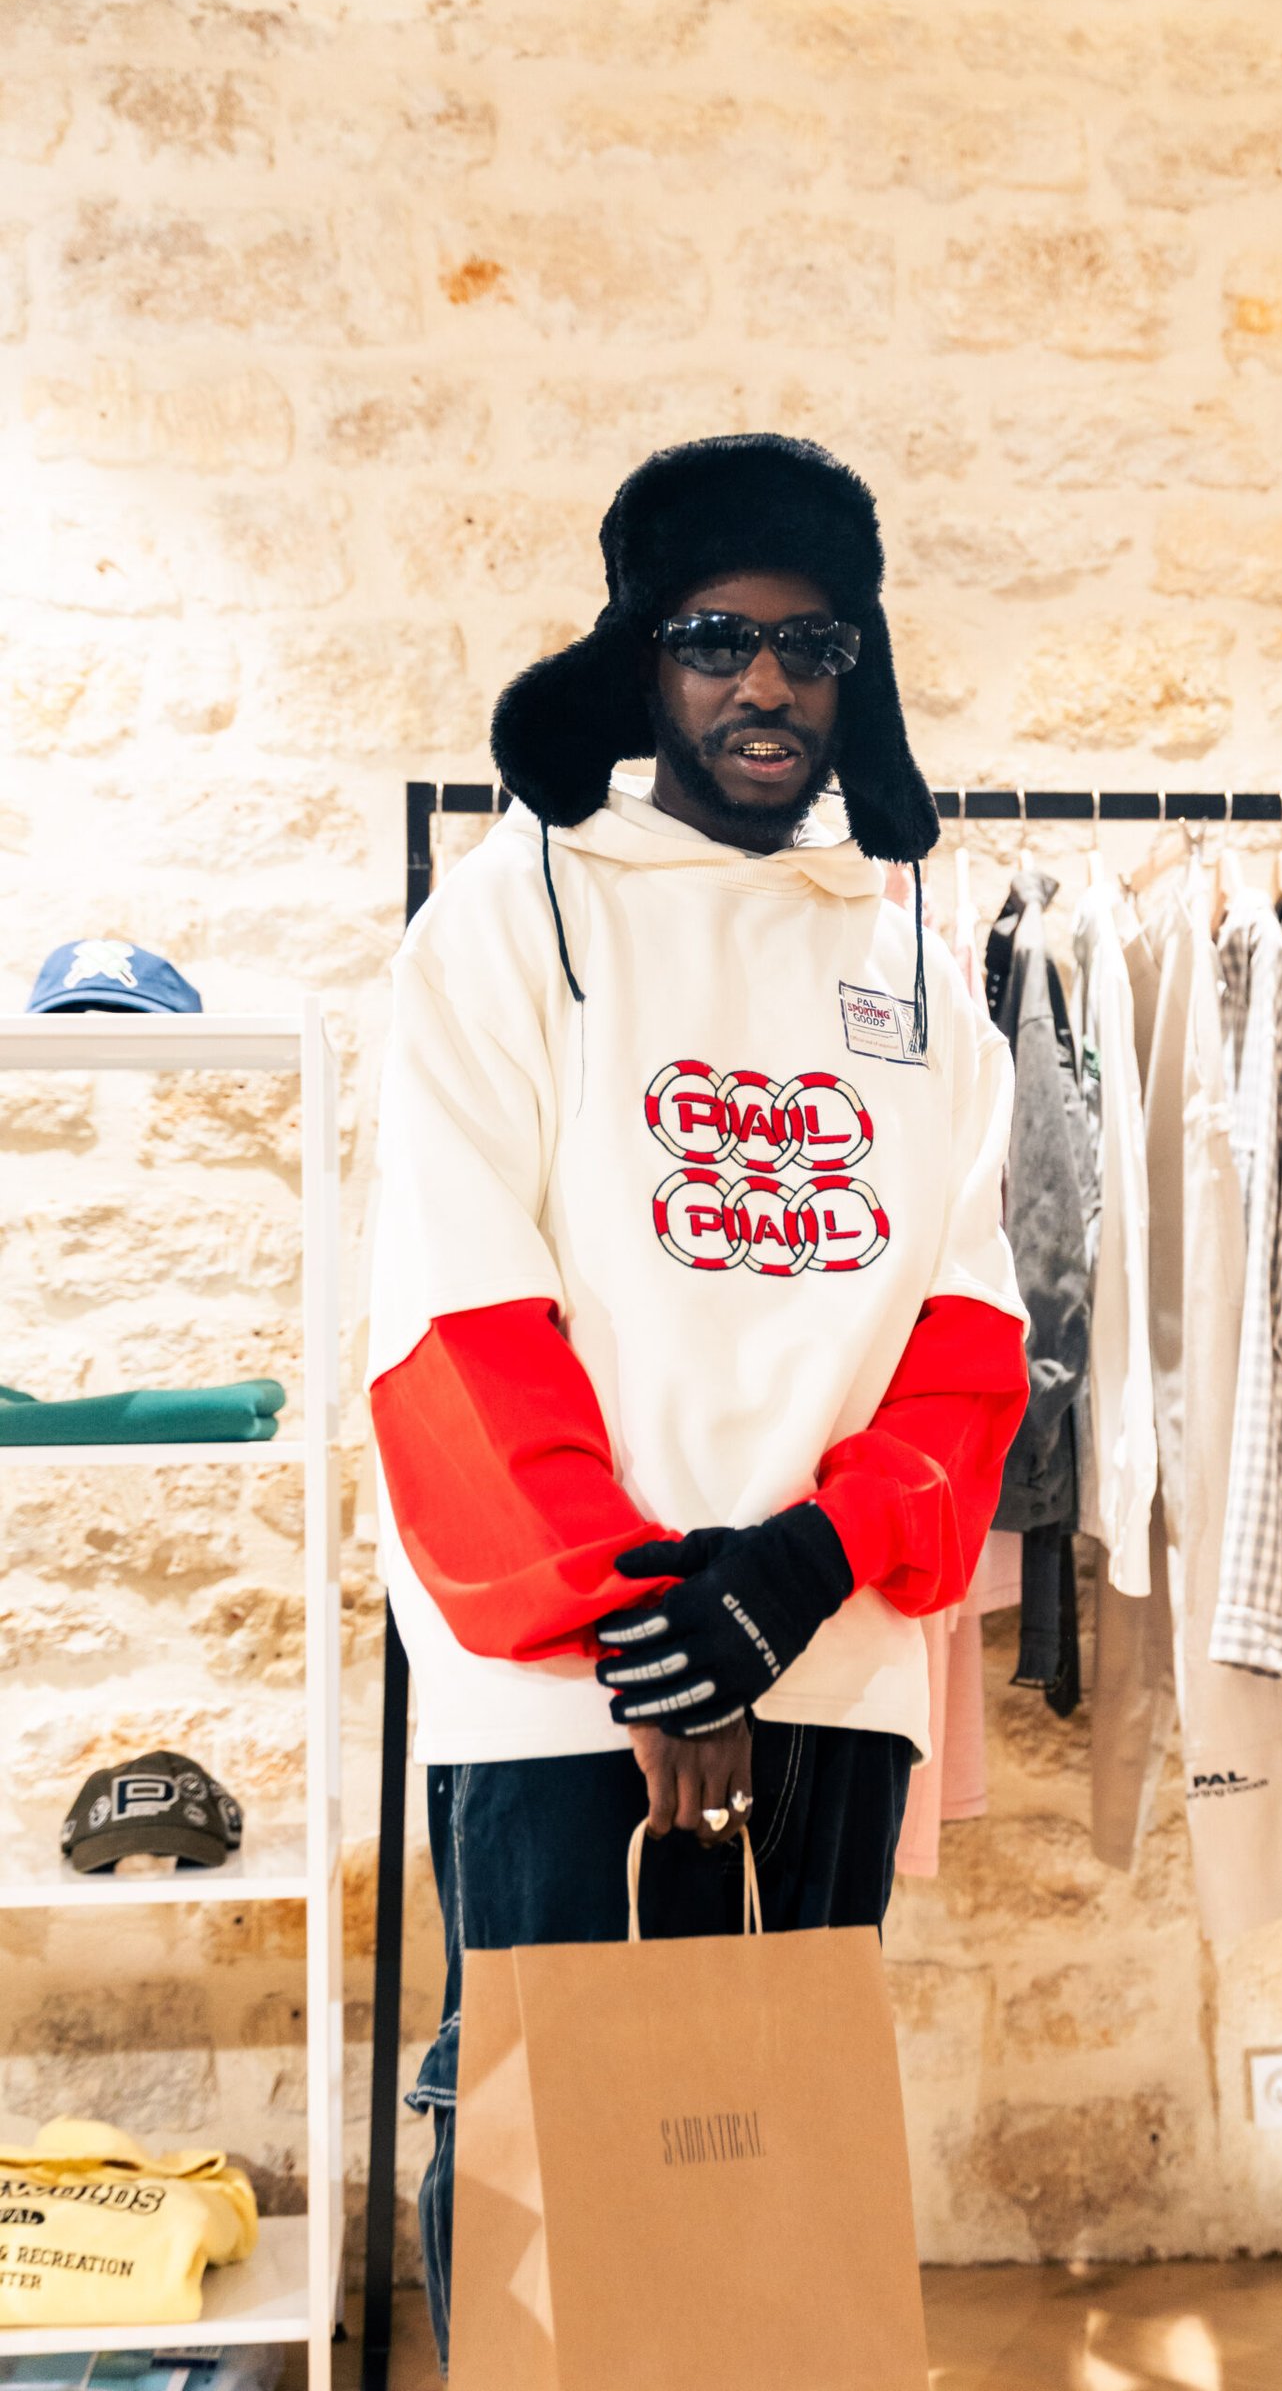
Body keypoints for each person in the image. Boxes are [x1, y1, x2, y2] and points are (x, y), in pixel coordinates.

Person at [365, 433, 1029, 2367]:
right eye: (717, 639)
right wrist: (651, 1633)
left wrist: (805, 1568)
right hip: (564, 1678)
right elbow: (452, 1317)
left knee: (773, 2178)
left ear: (857, 675)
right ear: (640, 657)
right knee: (550, 2173)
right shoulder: (506, 924)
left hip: (828, 1652)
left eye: (812, 647)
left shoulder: (923, 971)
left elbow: (968, 1341)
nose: (765, 685)